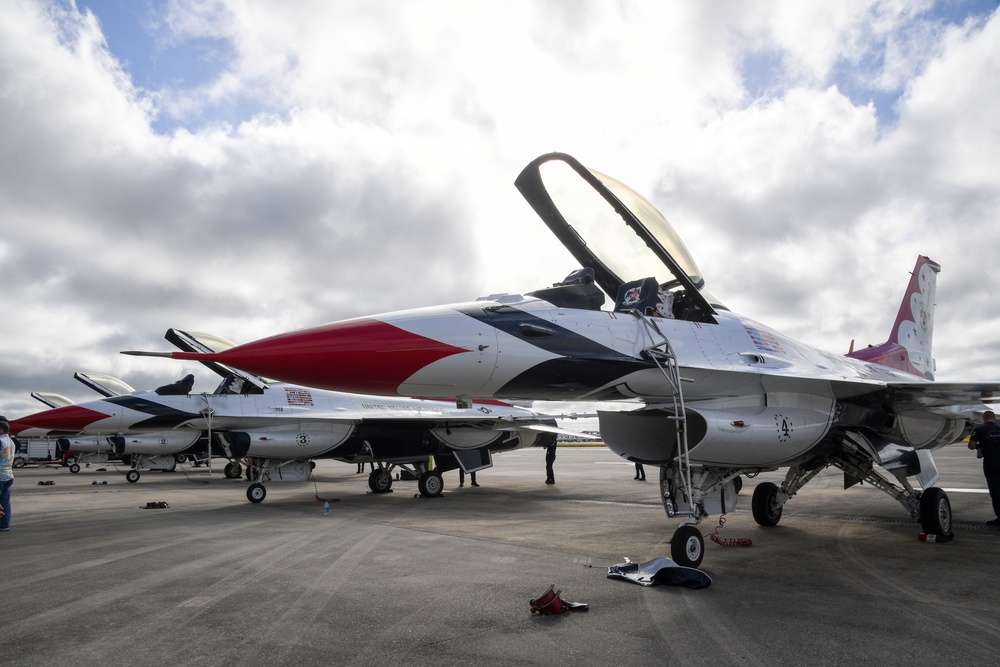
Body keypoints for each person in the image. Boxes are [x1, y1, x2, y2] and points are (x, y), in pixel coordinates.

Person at [968, 410, 1000, 526]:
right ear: (994, 418)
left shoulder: (980, 429)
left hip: (991, 463)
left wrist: (980, 446)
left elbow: (971, 446)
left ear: (984, 418)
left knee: (995, 490)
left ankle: (999, 517)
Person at [0, 420, 14, 532]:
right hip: (8, 474)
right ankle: (4, 525)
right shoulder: (10, 441)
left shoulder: (0, 441)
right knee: (5, 502)